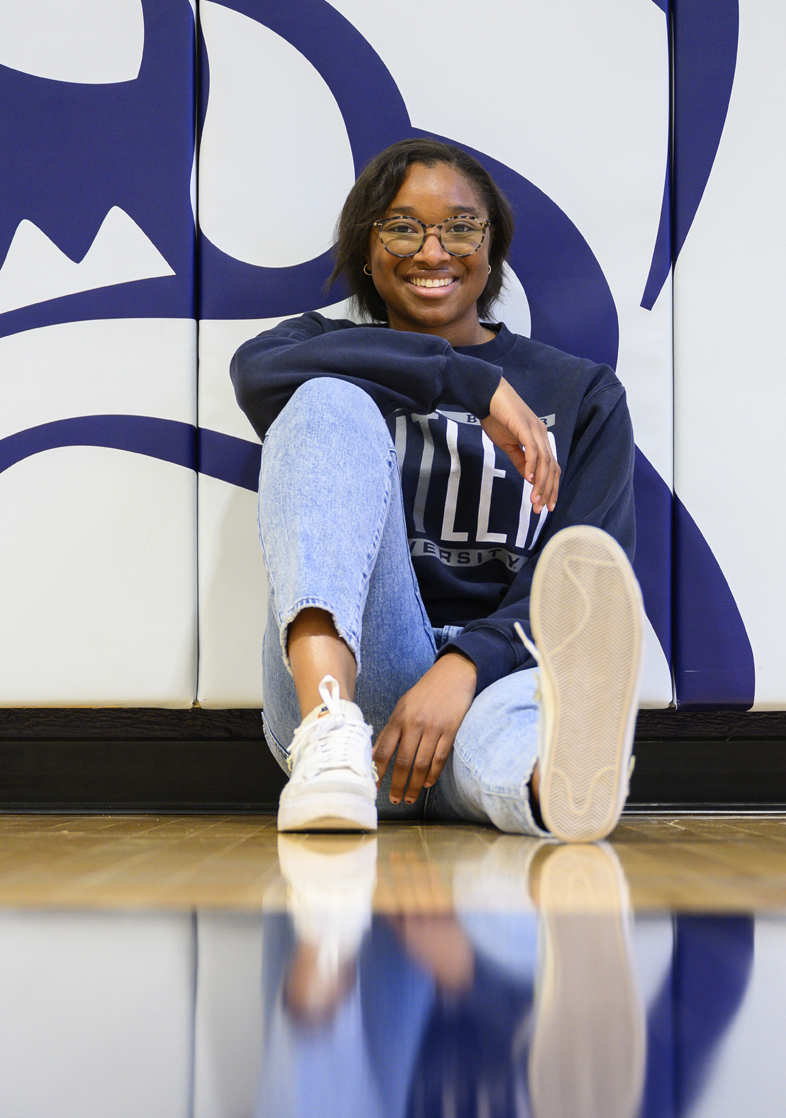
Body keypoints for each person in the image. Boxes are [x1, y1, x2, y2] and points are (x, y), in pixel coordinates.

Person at [231, 138, 643, 842]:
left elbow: (580, 572)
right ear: (366, 250)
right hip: (363, 684)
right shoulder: (314, 350)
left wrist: (463, 667)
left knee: (503, 741)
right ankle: (328, 739)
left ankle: (555, 783)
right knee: (325, 399)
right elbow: (255, 371)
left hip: (492, 680)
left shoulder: (580, 393)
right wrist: (465, 380)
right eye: (402, 227)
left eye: (460, 227)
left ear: (492, 250)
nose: (432, 251)